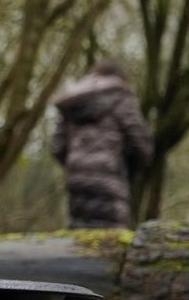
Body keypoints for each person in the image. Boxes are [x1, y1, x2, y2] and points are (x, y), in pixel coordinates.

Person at [50, 59, 153, 229]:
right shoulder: (121, 98)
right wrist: (129, 167)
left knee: (79, 236)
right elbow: (142, 145)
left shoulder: (75, 101)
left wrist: (77, 163)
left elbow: (57, 146)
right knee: (111, 240)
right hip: (111, 179)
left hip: (77, 178)